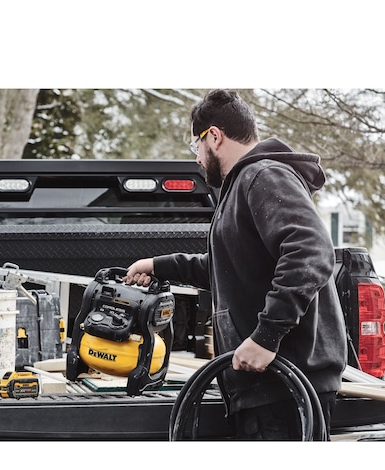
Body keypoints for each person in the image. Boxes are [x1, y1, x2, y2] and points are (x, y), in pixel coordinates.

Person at [124, 89, 347, 440]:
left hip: (285, 388)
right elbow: (230, 267)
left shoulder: (263, 176)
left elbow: (311, 251)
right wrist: (159, 265)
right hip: (264, 388)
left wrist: (266, 336)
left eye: (195, 146)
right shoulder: (245, 183)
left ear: (213, 136)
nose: (196, 158)